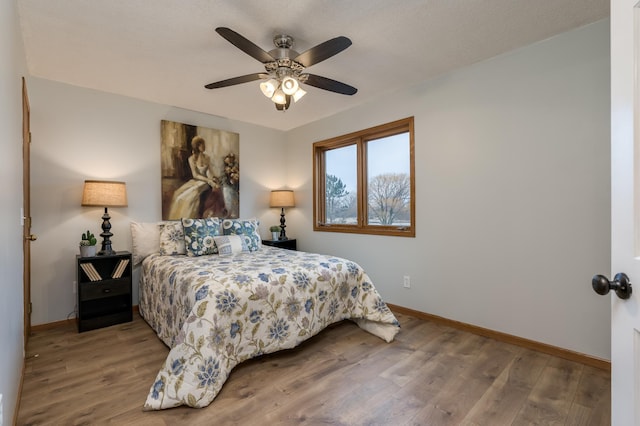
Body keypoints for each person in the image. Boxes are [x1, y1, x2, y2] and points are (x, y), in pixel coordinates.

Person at [168, 136, 227, 219]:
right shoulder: (191, 159)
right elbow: (195, 175)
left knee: (193, 195)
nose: (204, 146)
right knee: (179, 196)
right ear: (197, 146)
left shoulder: (207, 157)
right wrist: (208, 180)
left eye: (204, 144)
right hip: (198, 180)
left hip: (205, 182)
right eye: (202, 145)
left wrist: (214, 178)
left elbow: (209, 171)